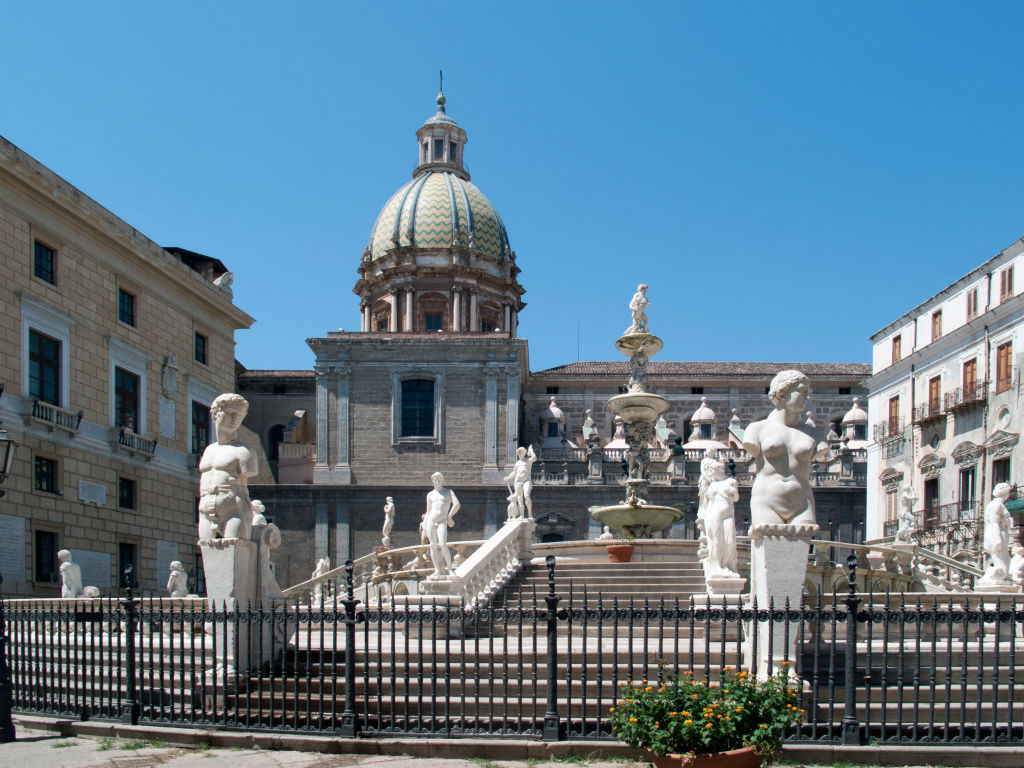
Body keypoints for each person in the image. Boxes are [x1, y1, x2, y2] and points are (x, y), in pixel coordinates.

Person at [743, 370, 829, 528]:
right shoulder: (756, 429)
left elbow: (822, 449)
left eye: (807, 393)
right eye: (802, 391)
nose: (806, 397)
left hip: (802, 503)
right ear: (782, 393)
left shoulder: (815, 435)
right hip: (766, 501)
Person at [197, 393, 256, 541]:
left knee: (235, 552)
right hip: (205, 509)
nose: (235, 419)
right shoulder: (208, 451)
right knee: (207, 550)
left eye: (240, 415)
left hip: (233, 510)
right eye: (230, 413)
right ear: (216, 414)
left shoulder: (244, 451)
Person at [424, 472, 460, 577]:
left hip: (442, 520)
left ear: (442, 480)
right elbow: (428, 511)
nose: (437, 481)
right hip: (431, 520)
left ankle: (450, 569)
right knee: (432, 545)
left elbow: (457, 504)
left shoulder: (448, 492)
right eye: (435, 479)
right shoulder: (430, 495)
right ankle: (437, 570)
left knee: (443, 544)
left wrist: (450, 516)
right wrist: (425, 524)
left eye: (439, 479)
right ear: (432, 481)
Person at [981, 483, 1015, 583]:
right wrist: (998, 541)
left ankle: (990, 576)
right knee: (1003, 570)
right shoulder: (996, 505)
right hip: (997, 535)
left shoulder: (997, 504)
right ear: (1006, 493)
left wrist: (1008, 522)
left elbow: (1004, 522)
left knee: (1005, 567)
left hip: (999, 533)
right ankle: (989, 576)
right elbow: (994, 523)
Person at [504, 446, 536, 519]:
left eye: (521, 453)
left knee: (527, 495)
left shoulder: (528, 460)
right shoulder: (517, 463)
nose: (520, 454)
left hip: (527, 481)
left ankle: (530, 513)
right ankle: (521, 515)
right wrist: (508, 477)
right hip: (518, 481)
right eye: (519, 453)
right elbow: (514, 472)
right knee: (519, 499)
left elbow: (534, 458)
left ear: (524, 453)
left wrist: (531, 451)